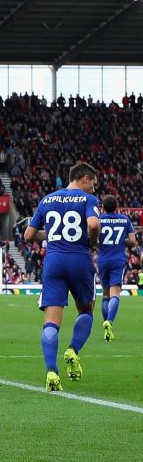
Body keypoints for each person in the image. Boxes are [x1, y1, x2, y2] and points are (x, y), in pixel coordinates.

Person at [23, 162, 100, 392]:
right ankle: (73, 349)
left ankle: (51, 372)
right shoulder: (87, 200)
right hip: (78, 258)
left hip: (54, 261)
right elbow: (94, 224)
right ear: (84, 178)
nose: (94, 190)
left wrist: (54, 235)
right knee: (86, 310)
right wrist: (92, 241)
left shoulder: (47, 200)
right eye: (93, 185)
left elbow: (28, 235)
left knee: (51, 321)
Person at [96, 194, 136, 342]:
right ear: (117, 207)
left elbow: (92, 236)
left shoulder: (99, 219)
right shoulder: (124, 220)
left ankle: (106, 325)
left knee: (105, 294)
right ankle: (109, 322)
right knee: (115, 294)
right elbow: (132, 241)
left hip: (103, 259)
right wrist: (120, 241)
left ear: (103, 207)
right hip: (117, 259)